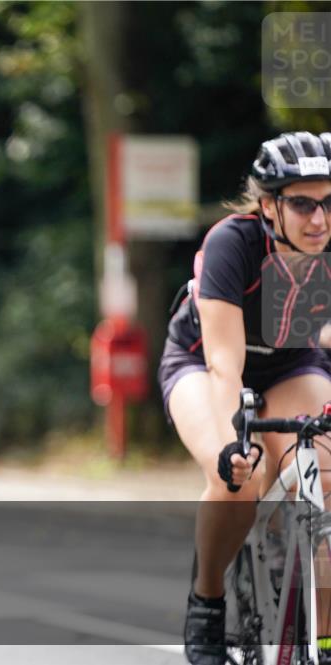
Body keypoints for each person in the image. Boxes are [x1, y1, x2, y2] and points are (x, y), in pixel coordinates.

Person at [159, 131, 331, 664]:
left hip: (291, 364)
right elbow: (225, 363)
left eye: (329, 203)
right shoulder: (233, 243)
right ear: (268, 206)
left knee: (326, 475)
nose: (319, 220)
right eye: (302, 204)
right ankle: (207, 601)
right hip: (204, 362)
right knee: (237, 477)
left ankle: (322, 637)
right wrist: (233, 443)